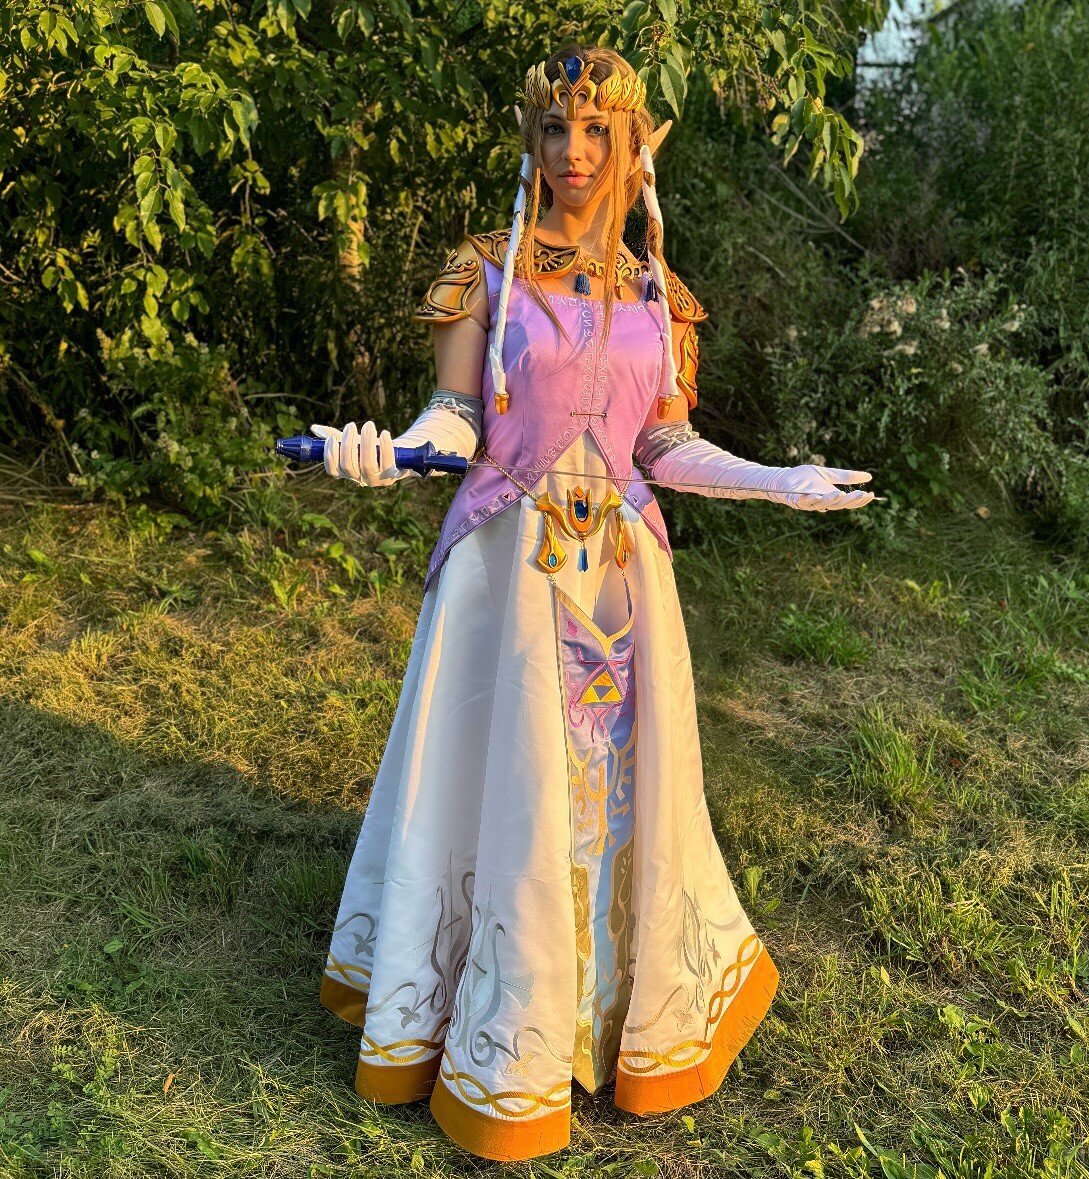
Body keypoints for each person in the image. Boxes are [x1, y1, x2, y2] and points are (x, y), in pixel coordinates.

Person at [310, 45, 875, 1163]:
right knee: (508, 790)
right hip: (506, 579)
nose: (574, 152)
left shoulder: (661, 294)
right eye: (556, 130)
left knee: (622, 803)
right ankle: (489, 1028)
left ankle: (617, 1022)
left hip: (624, 580)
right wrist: (395, 453)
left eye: (597, 131)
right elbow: (456, 421)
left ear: (632, 147)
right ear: (532, 141)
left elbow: (663, 444)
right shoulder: (483, 270)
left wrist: (775, 479)